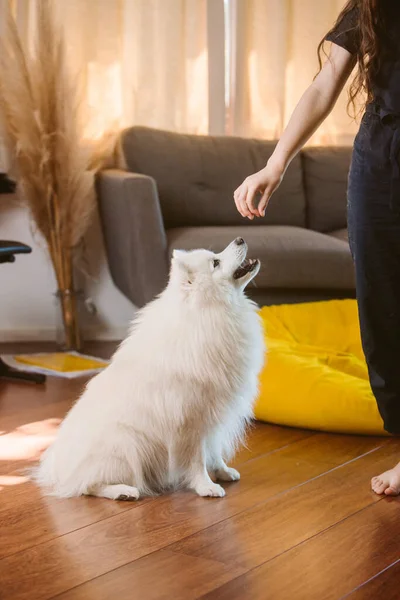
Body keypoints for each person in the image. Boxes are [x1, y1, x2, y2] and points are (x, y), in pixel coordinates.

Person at [234, 0, 400, 495]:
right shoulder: (373, 4)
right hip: (382, 154)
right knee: (384, 309)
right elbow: (328, 78)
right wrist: (276, 163)